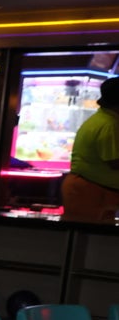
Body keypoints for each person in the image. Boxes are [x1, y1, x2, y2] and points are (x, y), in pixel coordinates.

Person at [61, 76, 119, 221]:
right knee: (83, 237)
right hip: (89, 193)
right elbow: (114, 162)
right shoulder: (109, 125)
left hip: (91, 191)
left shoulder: (103, 119)